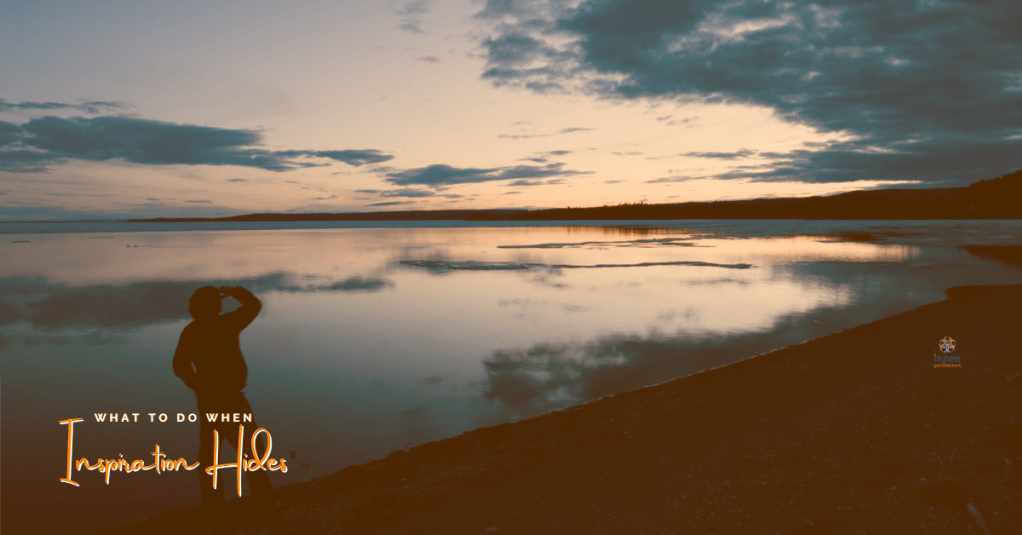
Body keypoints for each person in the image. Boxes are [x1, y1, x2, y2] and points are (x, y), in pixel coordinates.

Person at [173, 285, 274, 509]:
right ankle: (263, 501)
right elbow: (253, 305)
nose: (220, 303)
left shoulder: (193, 330)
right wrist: (236, 291)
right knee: (249, 451)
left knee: (213, 453)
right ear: (209, 305)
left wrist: (198, 385)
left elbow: (179, 366)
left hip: (211, 400)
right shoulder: (227, 323)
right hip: (228, 399)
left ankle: (215, 505)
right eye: (216, 300)